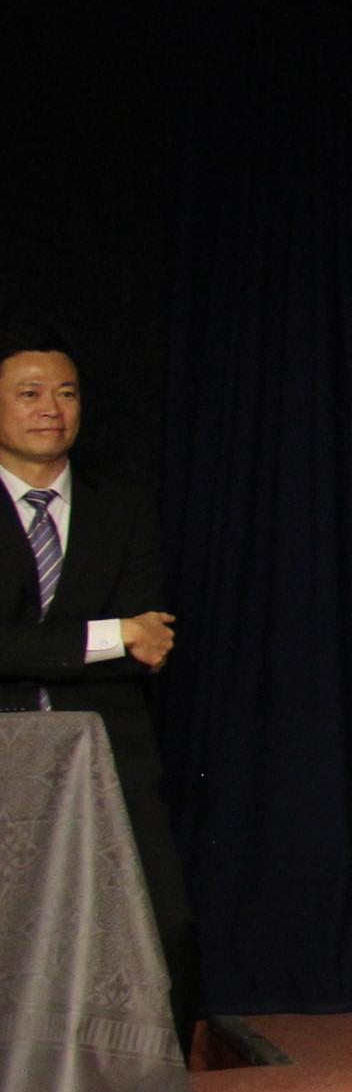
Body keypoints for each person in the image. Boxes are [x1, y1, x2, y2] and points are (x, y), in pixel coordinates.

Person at [0, 330, 199, 1051]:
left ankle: (155, 1078)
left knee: (162, 922)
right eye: (29, 393)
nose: (50, 409)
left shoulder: (123, 507)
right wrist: (111, 635)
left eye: (66, 393)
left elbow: (151, 645)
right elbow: (126, 637)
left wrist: (87, 646)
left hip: (108, 748)